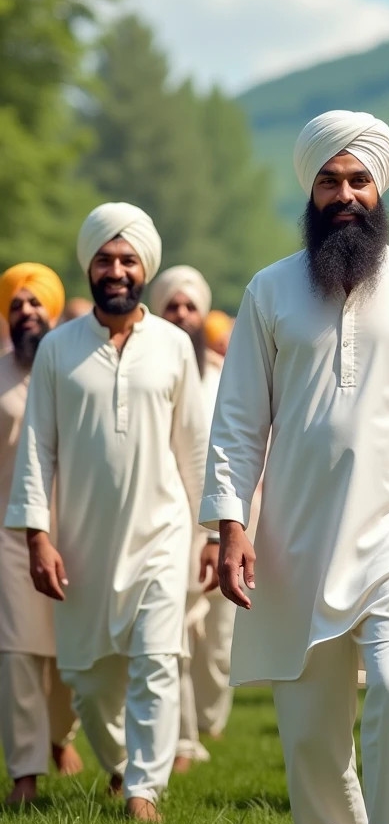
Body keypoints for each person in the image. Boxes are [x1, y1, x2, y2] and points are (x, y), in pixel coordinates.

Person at [200, 110, 389, 824]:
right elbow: (238, 421)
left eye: (359, 179)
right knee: (310, 736)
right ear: (310, 191)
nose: (345, 194)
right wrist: (231, 523)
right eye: (329, 181)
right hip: (296, 541)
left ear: (379, 187)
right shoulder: (269, 291)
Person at [5, 203, 214, 823]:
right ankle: (127, 764)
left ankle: (144, 792)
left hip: (161, 535)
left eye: (127, 260)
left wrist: (209, 533)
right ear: (89, 268)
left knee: (155, 662)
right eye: (105, 260)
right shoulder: (58, 350)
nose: (116, 270)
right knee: (88, 683)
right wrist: (38, 536)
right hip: (81, 542)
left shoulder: (174, 347)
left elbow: (196, 448)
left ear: (144, 267)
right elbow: (38, 447)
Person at [0, 264, 81, 804]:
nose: (26, 312)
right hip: (10, 531)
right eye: (16, 305)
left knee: (74, 651)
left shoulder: (75, 370)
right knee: (19, 651)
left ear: (53, 312)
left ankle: (61, 736)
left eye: (35, 304)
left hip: (77, 526)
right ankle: (25, 774)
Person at [149, 266, 235, 770]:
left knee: (219, 640)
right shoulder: (148, 371)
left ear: (203, 314)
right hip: (165, 519)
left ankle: (209, 722)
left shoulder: (224, 375)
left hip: (224, 524)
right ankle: (182, 740)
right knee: (174, 629)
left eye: (189, 307)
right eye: (171, 306)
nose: (181, 315)